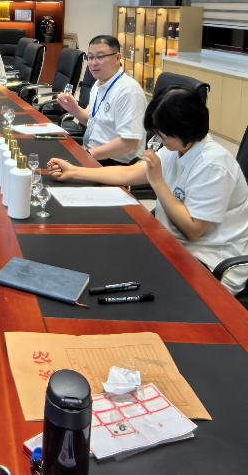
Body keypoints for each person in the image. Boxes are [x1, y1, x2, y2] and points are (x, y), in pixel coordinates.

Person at [48, 87, 248, 295]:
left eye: (163, 134)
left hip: (207, 261)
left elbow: (192, 230)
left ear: (184, 129)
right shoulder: (178, 148)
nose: (160, 140)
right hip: (170, 243)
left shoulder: (214, 165)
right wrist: (75, 171)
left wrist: (157, 181)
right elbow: (130, 173)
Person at [55, 34, 146, 164]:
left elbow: (130, 142)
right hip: (93, 153)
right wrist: (74, 109)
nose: (93, 63)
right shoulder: (98, 85)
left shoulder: (129, 91)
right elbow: (91, 121)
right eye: (90, 57)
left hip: (115, 163)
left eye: (100, 57)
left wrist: (88, 155)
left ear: (117, 58)